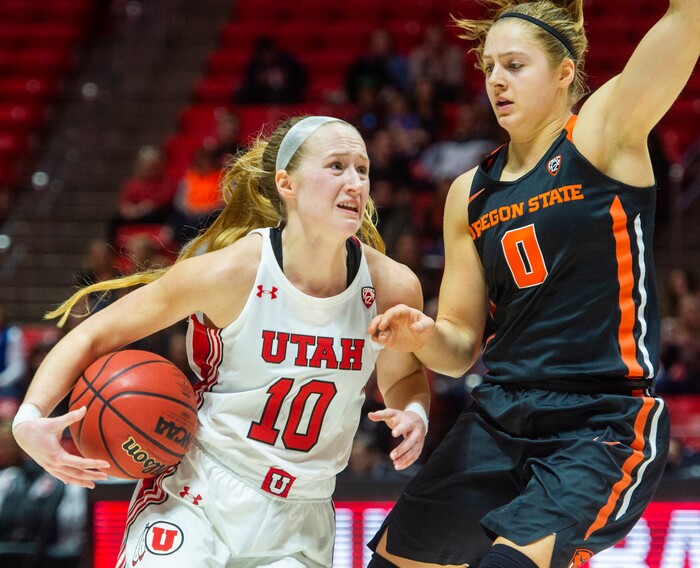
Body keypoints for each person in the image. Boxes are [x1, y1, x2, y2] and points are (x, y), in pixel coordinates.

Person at [12, 115, 430, 567]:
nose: (355, 183)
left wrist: (415, 411)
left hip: (303, 514)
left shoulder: (392, 286)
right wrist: (29, 418)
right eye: (336, 166)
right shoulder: (232, 272)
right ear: (286, 184)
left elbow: (404, 374)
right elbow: (96, 332)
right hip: (201, 490)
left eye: (362, 170)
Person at [366, 1, 699, 567]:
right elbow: (458, 348)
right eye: (489, 67)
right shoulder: (469, 192)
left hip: (601, 421)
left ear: (565, 71)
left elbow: (686, 23)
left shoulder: (603, 131)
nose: (496, 79)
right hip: (498, 416)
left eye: (515, 65)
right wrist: (421, 336)